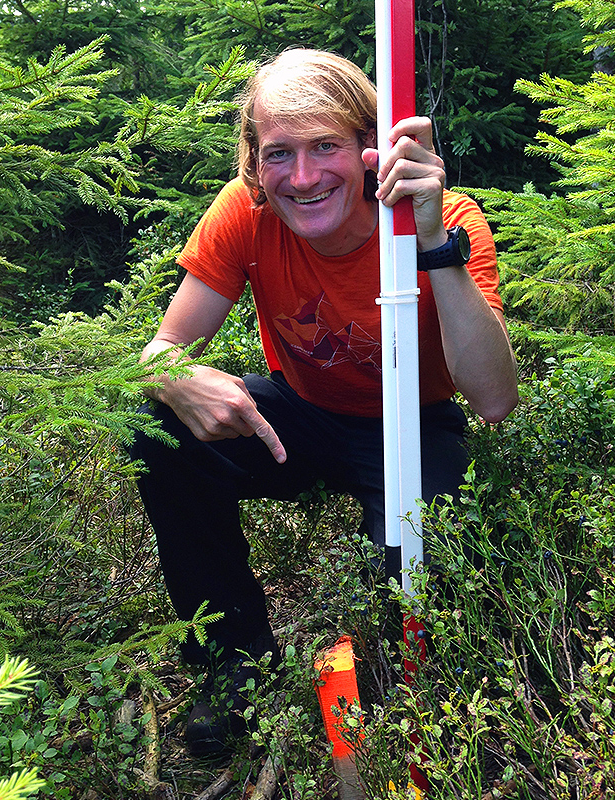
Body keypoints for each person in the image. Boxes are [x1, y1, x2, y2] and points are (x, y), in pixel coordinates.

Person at [131, 48, 518, 754]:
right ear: (253, 160)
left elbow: (493, 399)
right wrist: (178, 377)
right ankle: (235, 665)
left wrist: (433, 241)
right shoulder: (245, 212)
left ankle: (409, 701)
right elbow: (162, 348)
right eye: (279, 153)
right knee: (152, 424)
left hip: (415, 423)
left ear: (373, 147)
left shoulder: (445, 218)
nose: (302, 178)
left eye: (325, 147)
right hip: (301, 418)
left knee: (410, 593)